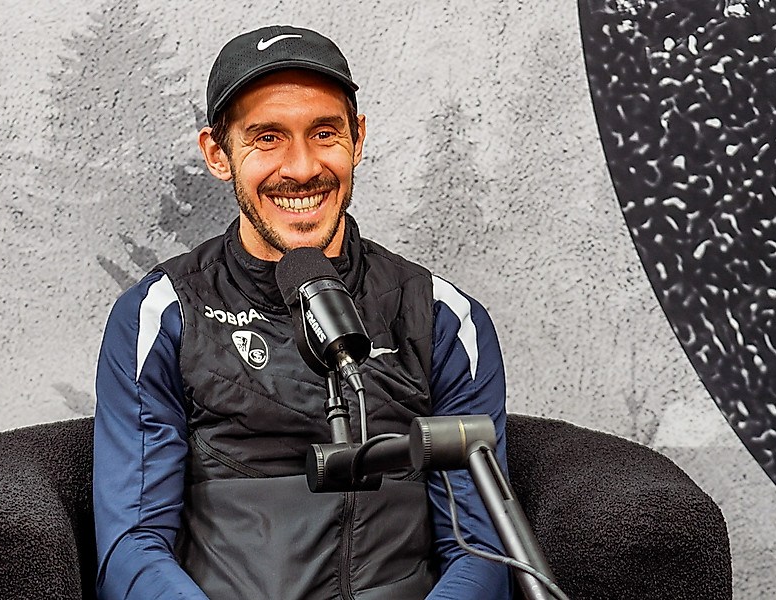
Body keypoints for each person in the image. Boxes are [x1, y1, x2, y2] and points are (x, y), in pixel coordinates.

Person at [93, 25, 513, 600]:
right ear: (218, 154)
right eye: (267, 137)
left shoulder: (442, 317)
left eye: (324, 133)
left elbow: (483, 549)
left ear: (357, 140)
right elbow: (133, 547)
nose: (301, 167)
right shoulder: (161, 315)